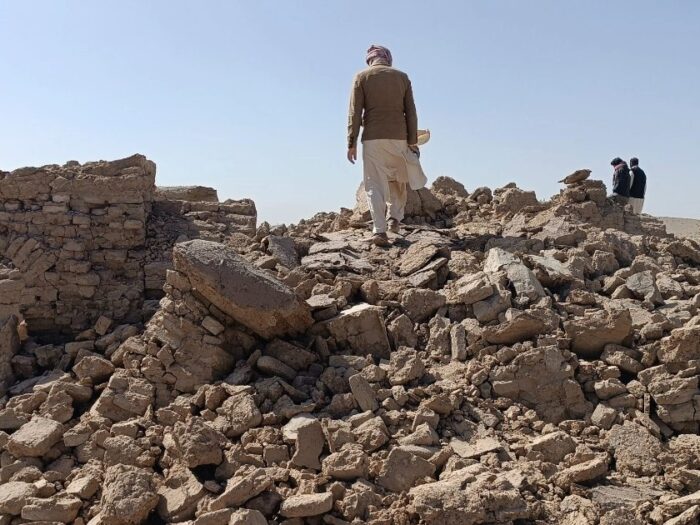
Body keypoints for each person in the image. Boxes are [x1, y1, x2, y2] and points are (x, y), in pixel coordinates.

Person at [347, 44, 426, 246]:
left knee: (374, 183)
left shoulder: (361, 77)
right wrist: (412, 142)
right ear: (388, 59)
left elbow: (355, 113)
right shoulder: (402, 77)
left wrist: (351, 142)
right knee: (399, 179)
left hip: (372, 138)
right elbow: (411, 112)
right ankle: (394, 219)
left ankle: (379, 231)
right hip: (399, 136)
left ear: (369, 60)